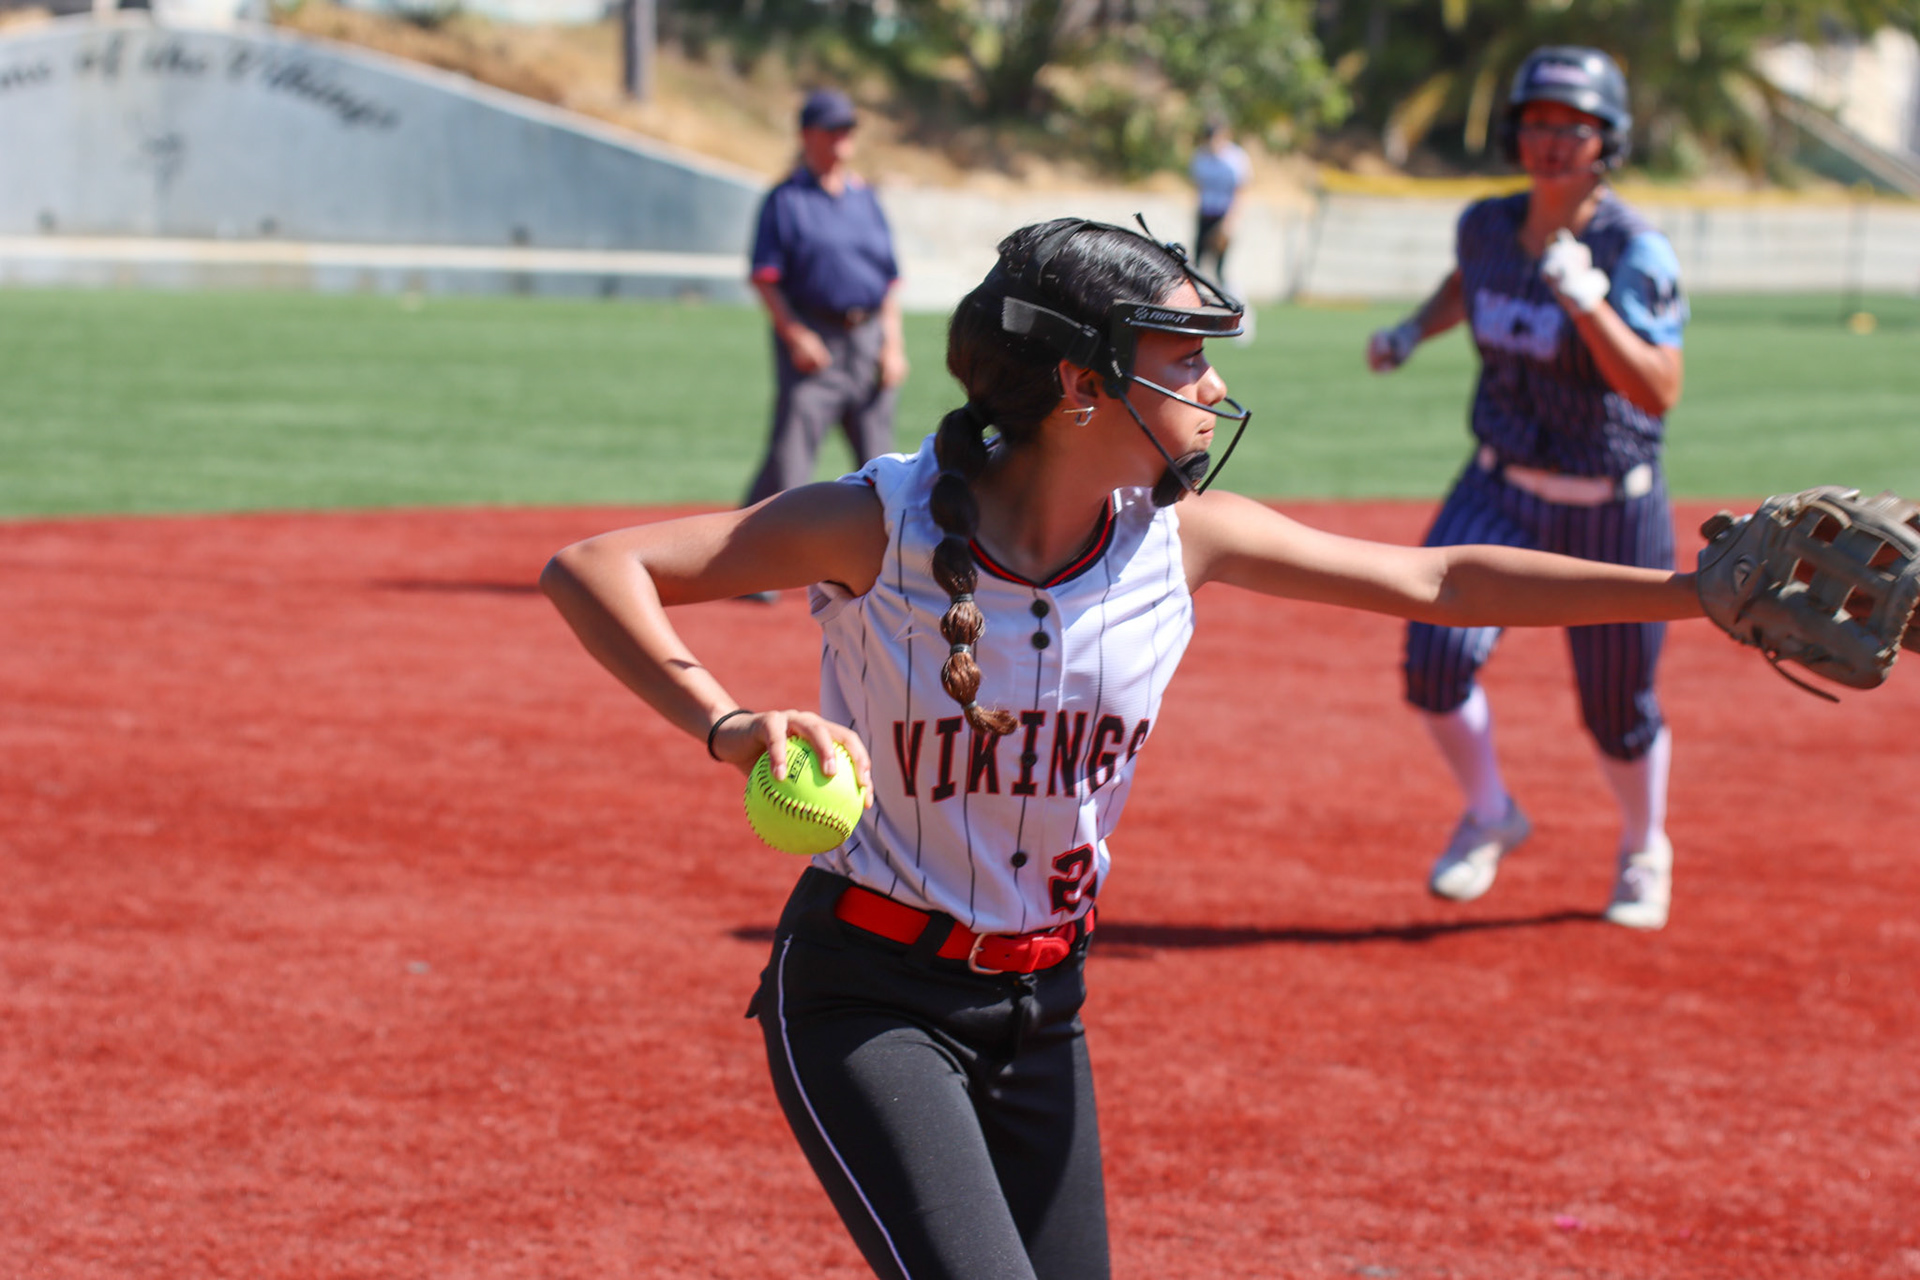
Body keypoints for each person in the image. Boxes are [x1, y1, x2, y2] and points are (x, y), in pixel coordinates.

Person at [542, 216, 1705, 1279]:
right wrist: (731, 724)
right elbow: (595, 567)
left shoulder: (1181, 539)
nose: (1215, 383)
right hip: (870, 1000)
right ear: (1082, 383)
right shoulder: (879, 523)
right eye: (1185, 357)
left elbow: (1440, 580)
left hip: (1045, 1006)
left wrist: (1694, 593)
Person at [1364, 46, 1690, 930]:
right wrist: (1411, 331)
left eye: (1573, 127)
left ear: (1607, 140)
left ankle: (1643, 847)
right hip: (1500, 487)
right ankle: (1490, 812)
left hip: (1610, 503)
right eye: (1538, 122)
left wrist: (1590, 303)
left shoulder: (1633, 248)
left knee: (1616, 706)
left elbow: (1659, 389)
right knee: (1433, 661)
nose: (1551, 141)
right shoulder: (1486, 223)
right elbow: (1467, 284)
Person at [743, 87, 909, 515]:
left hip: (868, 340)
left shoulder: (864, 197)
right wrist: (795, 334)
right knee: (789, 463)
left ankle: (884, 557)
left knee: (884, 467)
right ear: (806, 135)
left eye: (847, 128)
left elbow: (888, 282)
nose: (842, 136)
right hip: (815, 340)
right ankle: (753, 554)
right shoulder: (786, 200)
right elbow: (765, 277)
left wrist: (893, 346)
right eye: (832, 128)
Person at [1188, 116, 1250, 286]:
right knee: (1197, 264)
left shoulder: (1235, 158)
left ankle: (1231, 299)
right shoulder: (1200, 156)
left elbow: (1240, 192)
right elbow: (1198, 187)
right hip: (1205, 213)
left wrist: (1230, 221)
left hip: (1223, 215)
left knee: (1220, 269)